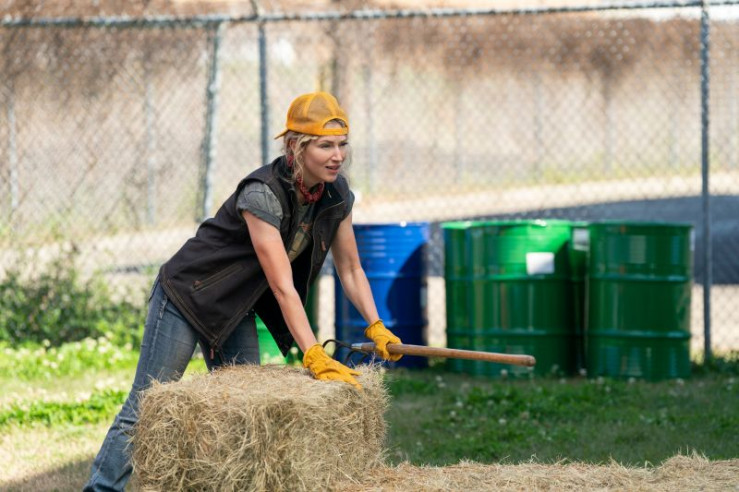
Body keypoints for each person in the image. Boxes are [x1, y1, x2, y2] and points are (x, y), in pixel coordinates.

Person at [84, 91, 403, 491]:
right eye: (325, 146)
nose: (337, 156)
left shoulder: (336, 195)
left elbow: (351, 269)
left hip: (235, 306)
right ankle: (100, 488)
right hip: (188, 295)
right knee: (145, 403)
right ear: (296, 146)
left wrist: (376, 324)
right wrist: (313, 353)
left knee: (248, 408)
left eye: (342, 144)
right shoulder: (262, 193)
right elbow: (282, 287)